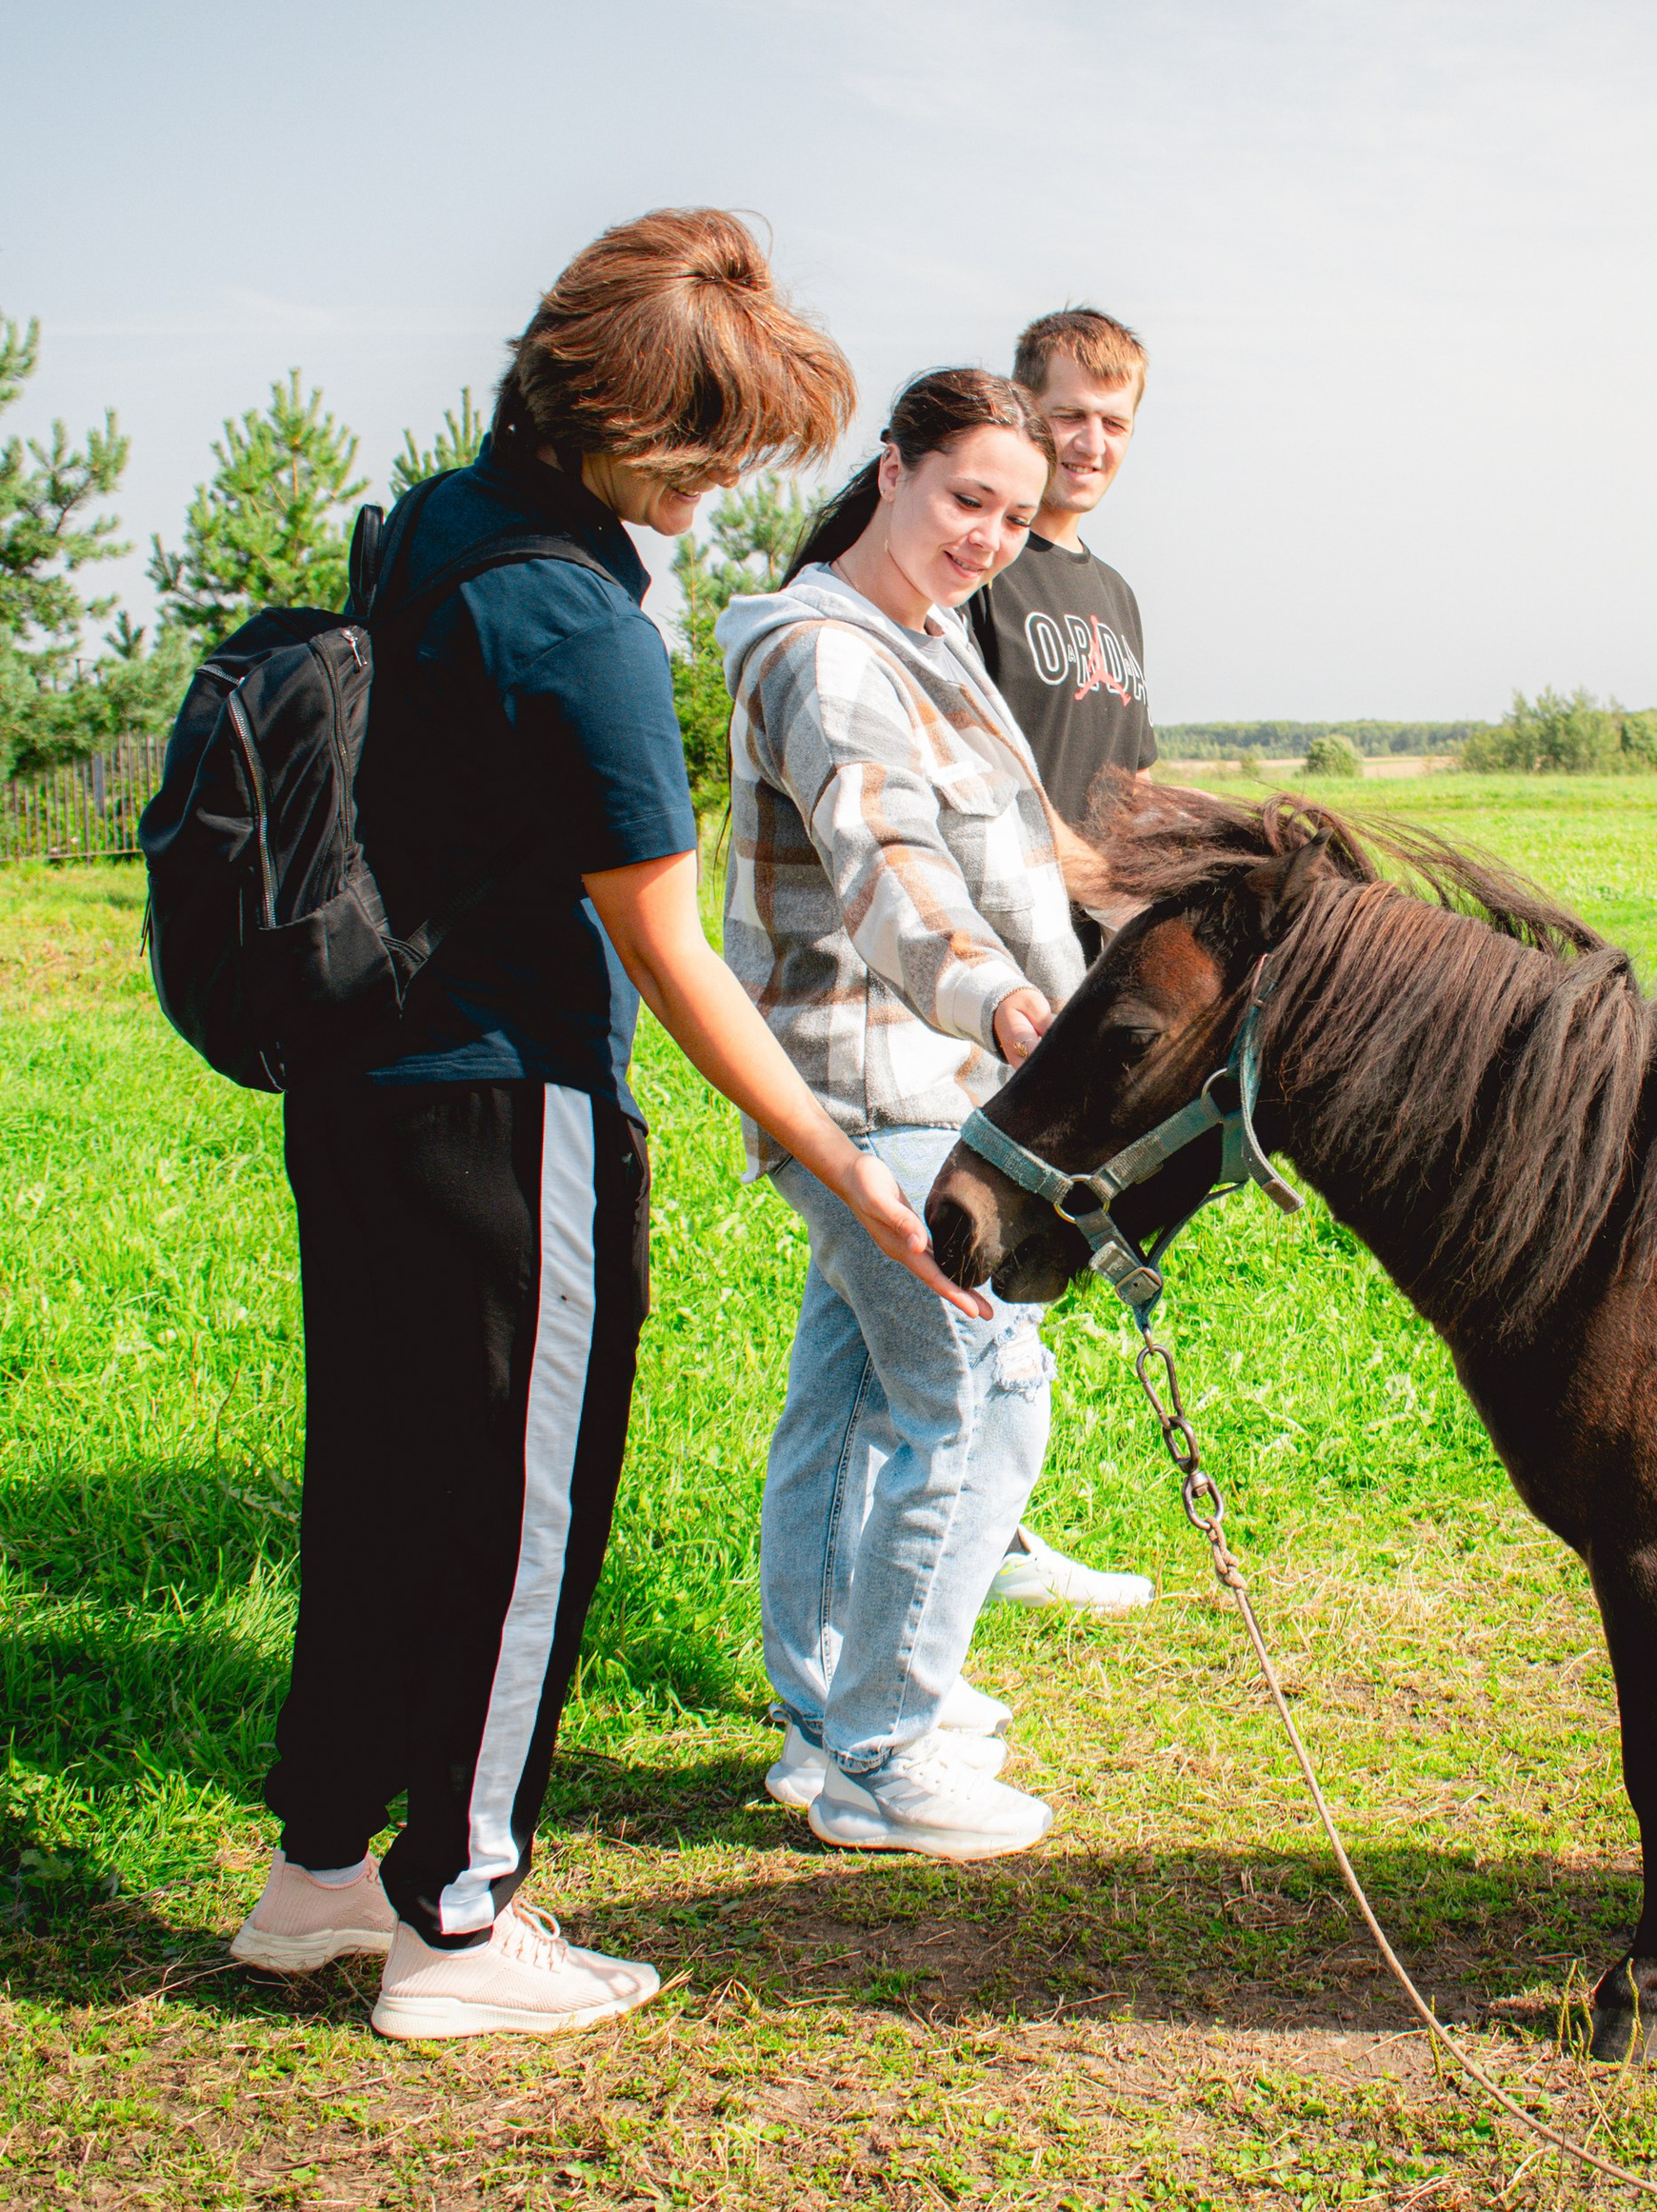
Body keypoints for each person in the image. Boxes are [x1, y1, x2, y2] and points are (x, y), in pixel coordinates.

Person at [229, 210, 980, 2040]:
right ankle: (462, 1929)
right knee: (519, 1523)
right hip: (509, 1114)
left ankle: (322, 1875)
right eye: (713, 456)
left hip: (357, 1094)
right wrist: (852, 1176)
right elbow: (670, 959)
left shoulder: (429, 527)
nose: (722, 493)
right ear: (633, 434)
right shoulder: (581, 624)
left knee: (386, 1484)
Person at [720, 368, 1112, 1859]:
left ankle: (830, 1713)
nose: (990, 536)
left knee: (847, 1393)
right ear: (890, 470)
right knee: (980, 1388)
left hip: (935, 1080)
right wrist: (1005, 1004)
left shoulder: (926, 635)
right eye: (966, 500)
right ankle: (887, 1752)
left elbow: (1017, 849)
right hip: (872, 1081)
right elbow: (886, 861)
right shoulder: (827, 656)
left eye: (1016, 517)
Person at [964, 307, 1158, 1614]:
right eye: (1069, 414)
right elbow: (980, 762)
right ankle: (960, 1528)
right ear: (1025, 410)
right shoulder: (988, 568)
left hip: (1092, 958)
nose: (1090, 444)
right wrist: (1066, 874)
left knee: (1042, 1240)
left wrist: (1155, 894)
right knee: (973, 1228)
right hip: (991, 953)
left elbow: (1129, 774)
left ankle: (993, 1522)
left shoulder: (1112, 592)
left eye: (1115, 422)